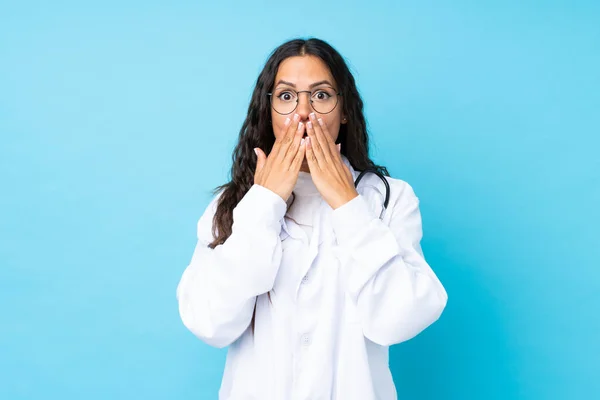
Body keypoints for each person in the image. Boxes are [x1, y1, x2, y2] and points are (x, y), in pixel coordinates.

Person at [176, 37, 448, 400]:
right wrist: (265, 203)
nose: (304, 113)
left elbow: (399, 318)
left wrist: (347, 204)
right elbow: (210, 323)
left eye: (321, 96)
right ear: (268, 112)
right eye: (287, 97)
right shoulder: (233, 204)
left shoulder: (389, 199)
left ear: (344, 109)